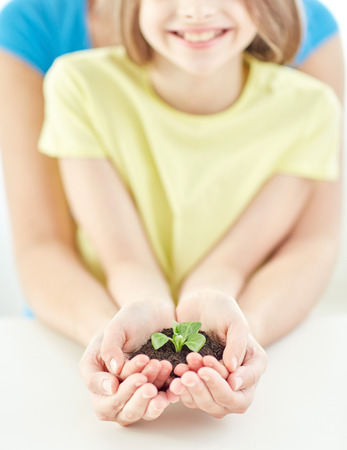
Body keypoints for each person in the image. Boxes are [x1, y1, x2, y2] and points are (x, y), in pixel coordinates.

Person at [0, 0, 343, 426]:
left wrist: (231, 333)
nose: (197, 11)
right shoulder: (79, 85)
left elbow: (238, 259)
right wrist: (122, 335)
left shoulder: (310, 110)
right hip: (58, 354)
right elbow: (118, 255)